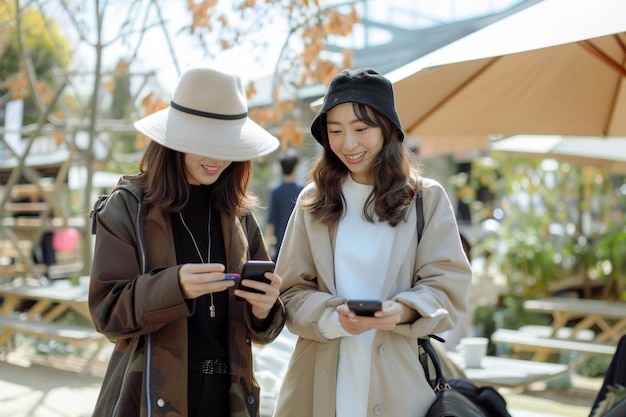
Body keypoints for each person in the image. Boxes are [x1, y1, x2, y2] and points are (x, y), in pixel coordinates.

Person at [272, 68, 472, 417]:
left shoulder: (426, 199)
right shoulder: (312, 201)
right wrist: (334, 318)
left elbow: (448, 287)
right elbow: (289, 293)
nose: (348, 144)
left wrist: (403, 310)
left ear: (387, 129)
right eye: (335, 131)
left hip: (400, 384)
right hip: (317, 384)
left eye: (361, 129)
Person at [89, 67, 285, 417]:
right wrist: (173, 286)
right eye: (203, 145)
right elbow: (108, 313)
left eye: (227, 147)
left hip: (231, 399)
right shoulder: (129, 206)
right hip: (150, 397)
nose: (217, 159)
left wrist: (265, 307)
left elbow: (262, 329)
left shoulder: (239, 215)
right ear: (173, 141)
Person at [266, 149, 303, 261]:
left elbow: (271, 221)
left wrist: (268, 245)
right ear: (296, 168)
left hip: (280, 246)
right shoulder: (302, 191)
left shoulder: (276, 191)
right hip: (299, 245)